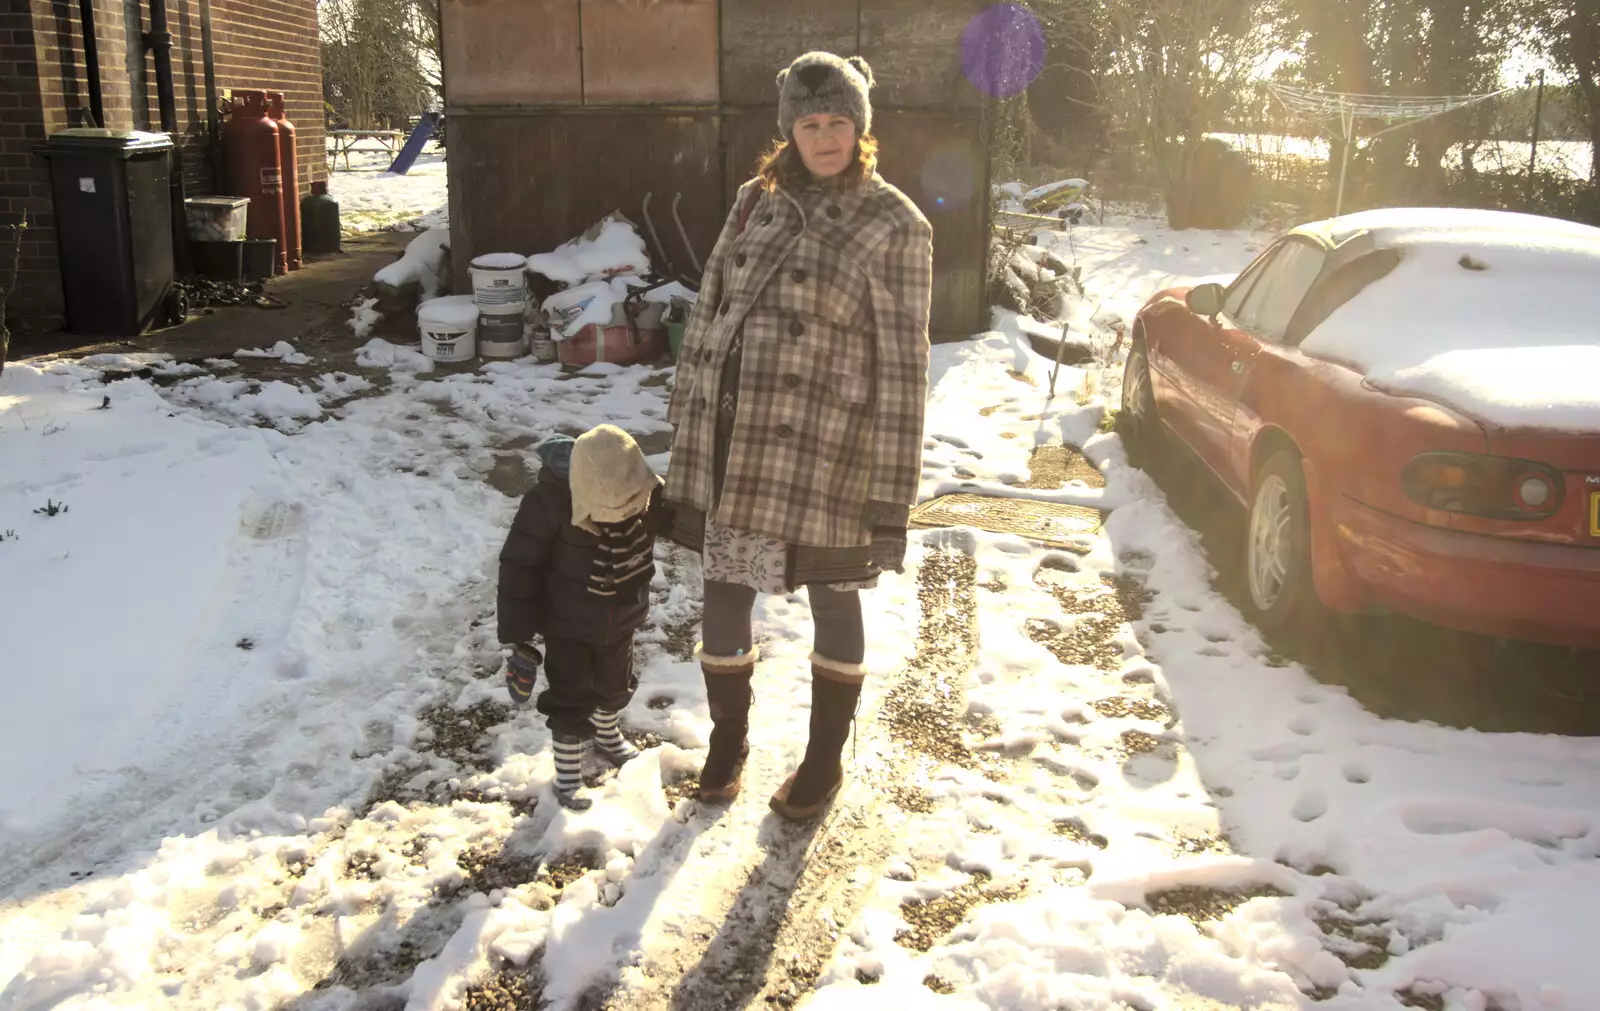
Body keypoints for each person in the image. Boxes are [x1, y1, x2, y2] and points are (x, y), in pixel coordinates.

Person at [664, 51, 934, 820]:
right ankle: (729, 740)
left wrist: (891, 496)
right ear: (789, 129)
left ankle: (823, 760)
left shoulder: (896, 224)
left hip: (832, 449)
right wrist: (687, 415)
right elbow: (711, 305)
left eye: (838, 122)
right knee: (722, 590)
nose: (825, 137)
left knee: (834, 598)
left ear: (860, 128)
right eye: (810, 123)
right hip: (737, 435)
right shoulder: (756, 200)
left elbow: (906, 369)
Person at [497, 425, 668, 811]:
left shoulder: (642, 491)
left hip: (622, 616)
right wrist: (520, 636)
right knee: (570, 698)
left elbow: (673, 520)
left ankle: (607, 733)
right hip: (567, 625)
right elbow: (518, 567)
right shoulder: (546, 503)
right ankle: (568, 775)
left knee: (615, 686)